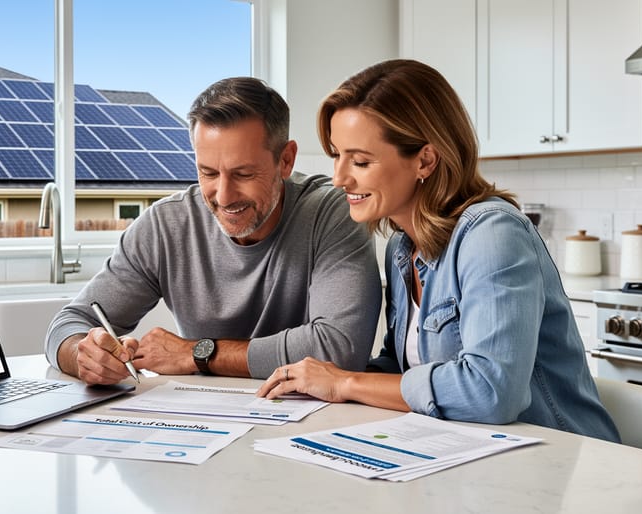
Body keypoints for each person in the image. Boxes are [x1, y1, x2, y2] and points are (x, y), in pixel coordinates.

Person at [257, 60, 620, 442]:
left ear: (425, 160)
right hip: (474, 452)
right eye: (337, 155)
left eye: (360, 161)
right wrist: (322, 382)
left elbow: (491, 391)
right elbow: (405, 367)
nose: (339, 178)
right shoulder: (401, 248)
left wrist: (345, 383)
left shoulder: (492, 235)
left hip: (564, 457)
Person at [45, 76, 381, 385]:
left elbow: (340, 349)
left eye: (243, 174)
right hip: (202, 419)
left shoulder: (332, 213)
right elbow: (67, 325)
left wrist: (198, 353)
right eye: (208, 173)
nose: (224, 196)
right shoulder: (165, 226)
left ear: (285, 160)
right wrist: (84, 356)